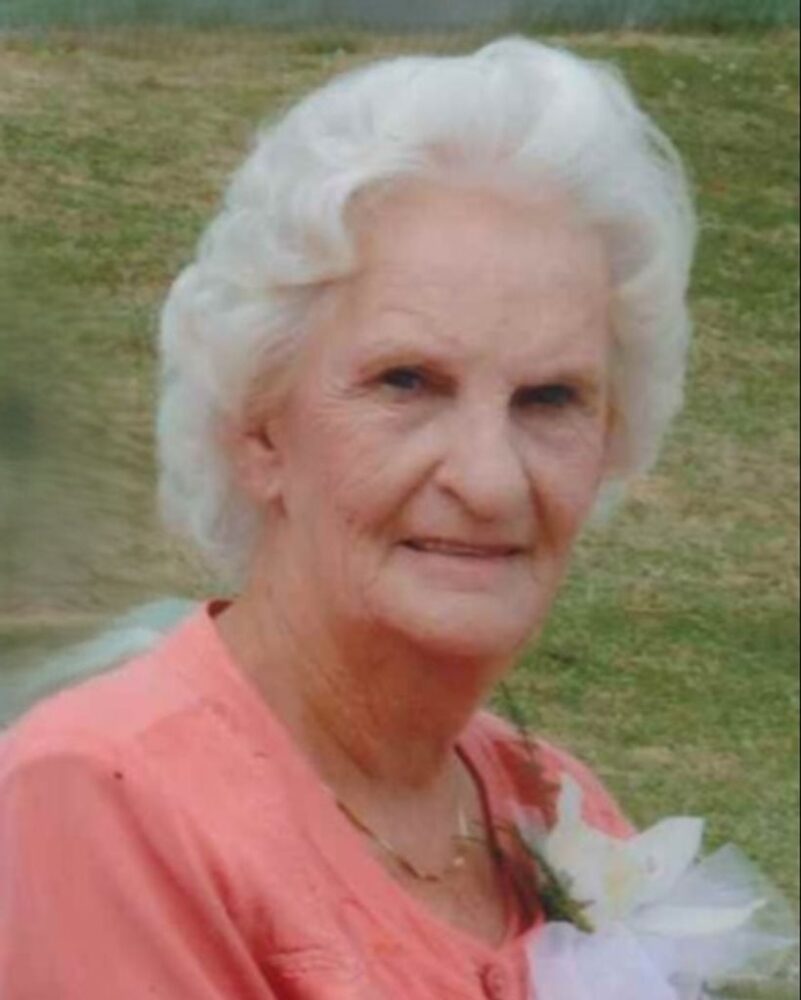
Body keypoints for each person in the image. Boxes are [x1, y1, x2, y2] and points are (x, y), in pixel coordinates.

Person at [0, 37, 698, 998]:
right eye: (406, 382)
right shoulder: (98, 803)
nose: (490, 480)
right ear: (258, 428)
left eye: (549, 399)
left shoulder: (556, 806)